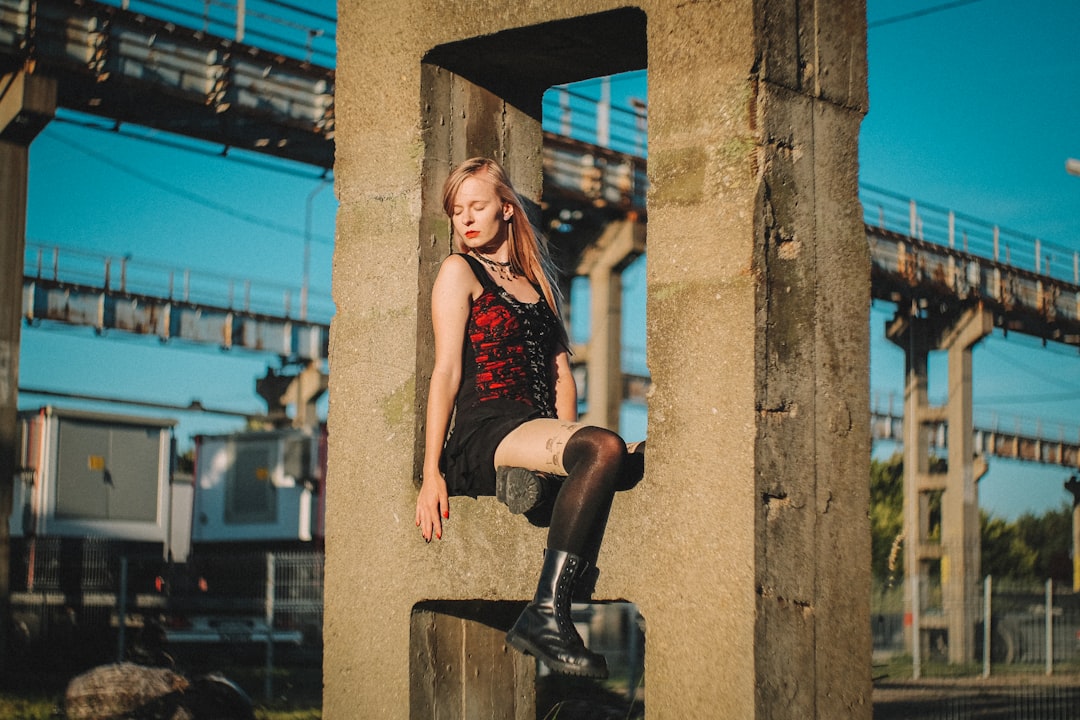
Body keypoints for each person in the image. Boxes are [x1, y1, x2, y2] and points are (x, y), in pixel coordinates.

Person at [415, 157, 639, 679]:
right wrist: (431, 472)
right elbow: (445, 372)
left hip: (534, 427)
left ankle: (549, 612)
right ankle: (546, 615)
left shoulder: (535, 282)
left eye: (477, 206)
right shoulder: (458, 271)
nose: (465, 219)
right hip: (486, 430)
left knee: (621, 455)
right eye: (456, 210)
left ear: (507, 210)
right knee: (605, 448)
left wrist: (569, 447)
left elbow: (563, 374)